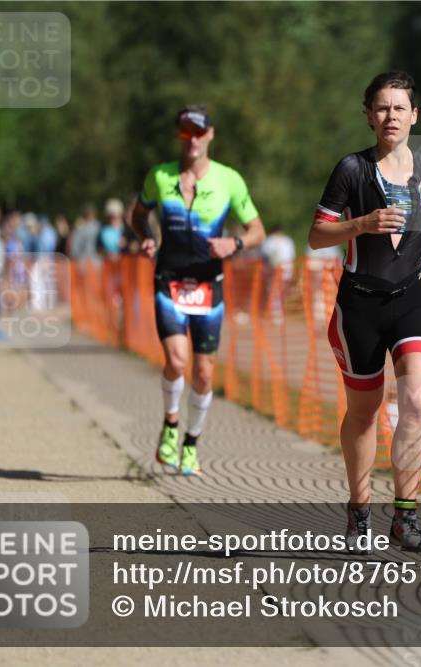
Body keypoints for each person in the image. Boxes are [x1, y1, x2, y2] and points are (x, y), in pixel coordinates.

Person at [309, 71, 421, 552]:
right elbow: (317, 235)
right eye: (381, 108)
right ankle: (360, 512)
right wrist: (361, 223)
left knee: (417, 400)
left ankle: (405, 515)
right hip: (359, 304)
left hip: (412, 298)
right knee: (363, 412)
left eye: (399, 108)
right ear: (368, 116)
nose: (390, 116)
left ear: (414, 116)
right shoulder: (352, 170)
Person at [129, 104, 265, 476]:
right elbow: (138, 215)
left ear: (210, 135)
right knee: (176, 361)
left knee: (204, 374)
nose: (191, 139)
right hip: (169, 281)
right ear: (180, 135)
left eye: (198, 132)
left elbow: (257, 230)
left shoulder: (229, 180)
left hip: (209, 287)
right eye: (185, 132)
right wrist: (147, 238)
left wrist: (234, 245)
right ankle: (170, 425)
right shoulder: (159, 176)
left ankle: (191, 443)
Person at [259, 224, 296, 324]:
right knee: (279, 292)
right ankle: (277, 313)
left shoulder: (268, 241)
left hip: (275, 271)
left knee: (275, 291)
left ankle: (277, 313)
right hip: (284, 270)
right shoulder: (287, 241)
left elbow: (265, 257)